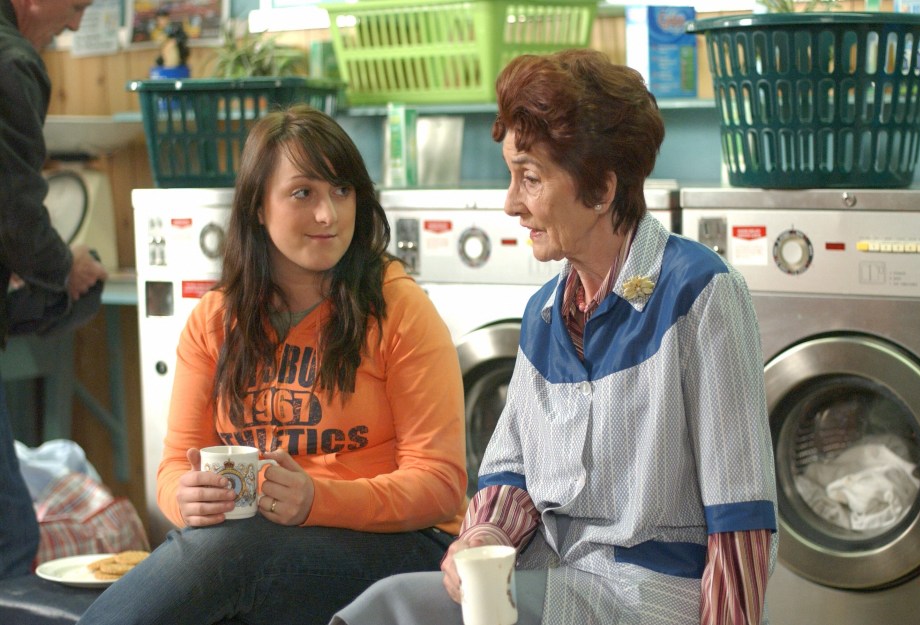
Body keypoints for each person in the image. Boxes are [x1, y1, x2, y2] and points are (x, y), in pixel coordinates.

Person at [330, 48, 778, 625]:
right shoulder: (546, 313)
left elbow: (740, 520)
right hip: (549, 579)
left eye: (530, 178)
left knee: (395, 613)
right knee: (378, 609)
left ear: (600, 189)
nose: (512, 203)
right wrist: (482, 534)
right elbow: (511, 469)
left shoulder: (700, 293)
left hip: (647, 598)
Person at [76, 104, 468, 625]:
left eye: (342, 190)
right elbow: (175, 467)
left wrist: (317, 500)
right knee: (220, 553)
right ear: (258, 207)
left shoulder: (397, 307)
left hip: (401, 547)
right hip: (259, 543)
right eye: (304, 193)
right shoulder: (215, 321)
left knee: (231, 557)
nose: (329, 214)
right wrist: (185, 500)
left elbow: (441, 482)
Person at [0, 0, 106, 581]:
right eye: (76, 7)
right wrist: (63, 267)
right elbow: (13, 206)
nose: (72, 26)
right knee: (9, 535)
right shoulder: (12, 61)